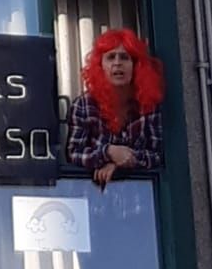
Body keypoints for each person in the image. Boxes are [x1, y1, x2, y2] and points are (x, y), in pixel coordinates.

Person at [66, 28, 165, 188]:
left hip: (141, 195)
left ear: (136, 66)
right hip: (95, 194)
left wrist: (121, 164)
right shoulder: (83, 105)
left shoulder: (148, 105)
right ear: (100, 67)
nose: (117, 63)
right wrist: (108, 152)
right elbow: (74, 153)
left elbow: (158, 154)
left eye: (124, 57)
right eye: (111, 57)